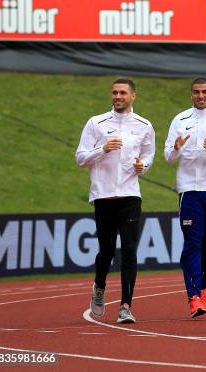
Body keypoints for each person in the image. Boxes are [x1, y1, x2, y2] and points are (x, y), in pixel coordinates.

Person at [76, 78, 155, 323]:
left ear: (133, 96)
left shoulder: (144, 125)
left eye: (122, 92)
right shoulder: (96, 123)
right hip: (103, 195)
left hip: (130, 194)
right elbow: (80, 157)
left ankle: (125, 306)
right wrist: (103, 149)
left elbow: (149, 154)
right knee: (107, 251)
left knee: (130, 249)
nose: (118, 96)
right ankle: (99, 287)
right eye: (115, 92)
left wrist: (144, 165)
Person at [164, 78, 206, 318]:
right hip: (189, 191)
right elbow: (168, 157)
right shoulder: (180, 120)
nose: (200, 96)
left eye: (204, 92)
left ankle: (202, 287)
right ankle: (193, 296)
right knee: (192, 243)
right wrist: (177, 148)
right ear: (191, 94)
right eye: (196, 92)